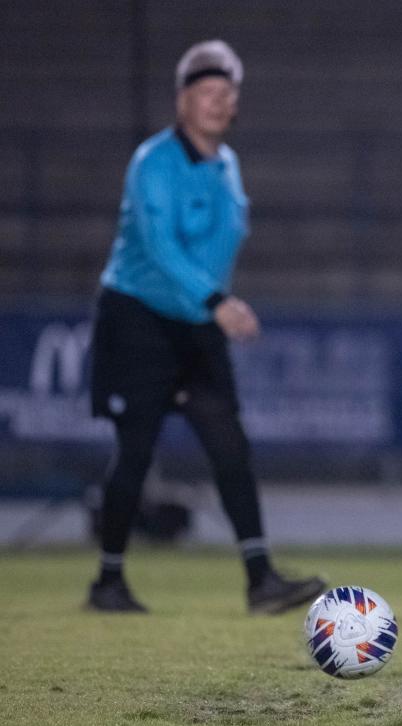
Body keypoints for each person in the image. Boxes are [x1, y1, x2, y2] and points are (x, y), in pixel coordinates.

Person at [86, 40, 326, 614]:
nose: (220, 103)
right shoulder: (154, 162)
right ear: (183, 100)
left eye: (228, 93)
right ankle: (109, 581)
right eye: (208, 93)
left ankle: (260, 580)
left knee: (230, 447)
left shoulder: (227, 164)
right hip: (137, 319)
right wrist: (218, 300)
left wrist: (212, 305)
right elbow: (160, 247)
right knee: (135, 452)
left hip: (196, 324)